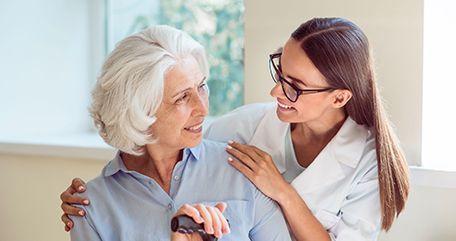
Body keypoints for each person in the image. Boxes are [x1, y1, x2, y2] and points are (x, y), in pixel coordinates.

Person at [61, 18, 410, 241]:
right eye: (280, 73)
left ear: (338, 98)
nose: (276, 92)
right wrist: (94, 197)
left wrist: (283, 192)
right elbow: (153, 141)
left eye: (295, 86)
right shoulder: (243, 128)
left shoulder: (368, 162)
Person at [67, 24, 292, 241]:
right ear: (139, 110)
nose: (203, 109)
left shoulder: (244, 170)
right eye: (182, 97)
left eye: (201, 87)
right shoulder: (91, 206)